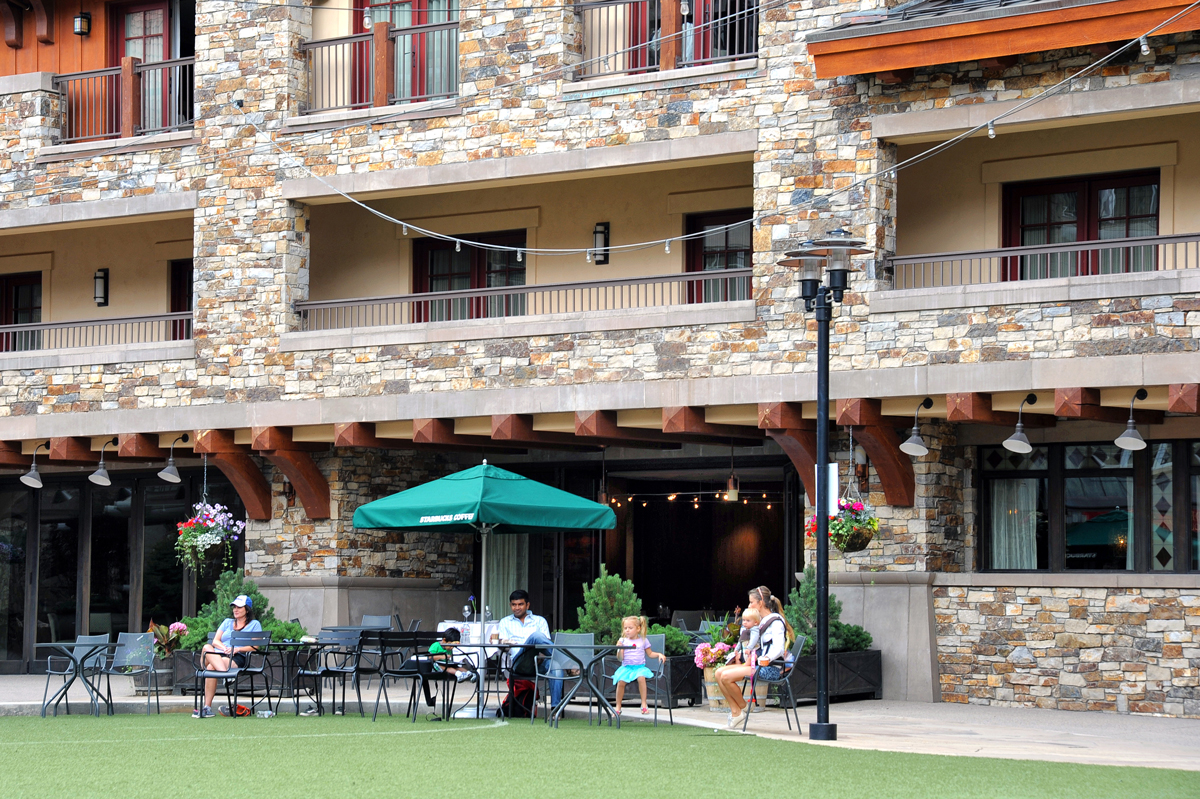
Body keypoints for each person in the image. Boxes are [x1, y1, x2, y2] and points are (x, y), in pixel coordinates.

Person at [715, 585, 794, 728]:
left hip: (771, 668)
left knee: (726, 677)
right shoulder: (760, 621)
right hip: (756, 664)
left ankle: (743, 707)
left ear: (760, 602)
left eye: (752, 602)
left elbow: (778, 648)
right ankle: (736, 712)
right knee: (718, 673)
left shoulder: (775, 622)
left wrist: (767, 658)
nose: (749, 605)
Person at [193, 594, 263, 719]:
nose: (235, 610)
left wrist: (237, 649)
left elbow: (255, 646)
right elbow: (215, 641)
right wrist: (223, 648)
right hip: (218, 653)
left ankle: (206, 708)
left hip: (236, 657)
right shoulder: (227, 622)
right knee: (206, 647)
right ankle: (226, 676)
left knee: (210, 669)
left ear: (247, 609)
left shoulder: (254, 624)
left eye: (239, 607)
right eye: (234, 607)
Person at [495, 589, 551, 717]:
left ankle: (556, 710)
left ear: (528, 605)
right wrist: (502, 642)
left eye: (520, 604)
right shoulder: (505, 622)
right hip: (519, 663)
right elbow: (503, 647)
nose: (517, 608)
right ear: (510, 605)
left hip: (539, 662)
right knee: (535, 636)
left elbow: (547, 646)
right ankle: (567, 660)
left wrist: (541, 657)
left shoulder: (539, 621)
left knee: (556, 667)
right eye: (514, 605)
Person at [612, 615, 666, 716]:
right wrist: (620, 649)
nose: (627, 630)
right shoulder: (623, 641)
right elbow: (620, 658)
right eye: (625, 628)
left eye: (630, 628)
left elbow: (650, 654)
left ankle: (644, 704)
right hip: (626, 668)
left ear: (638, 629)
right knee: (621, 682)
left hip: (639, 667)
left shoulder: (643, 640)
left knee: (641, 678)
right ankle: (618, 706)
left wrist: (659, 654)